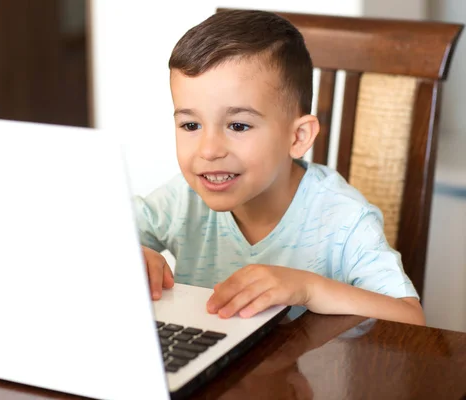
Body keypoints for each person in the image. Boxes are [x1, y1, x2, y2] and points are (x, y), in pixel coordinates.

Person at [133, 9, 425, 325]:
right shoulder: (182, 198)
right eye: (190, 125)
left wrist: (309, 288)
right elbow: (93, 235)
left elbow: (411, 318)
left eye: (239, 126)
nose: (209, 150)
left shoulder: (343, 217)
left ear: (298, 137)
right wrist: (130, 253)